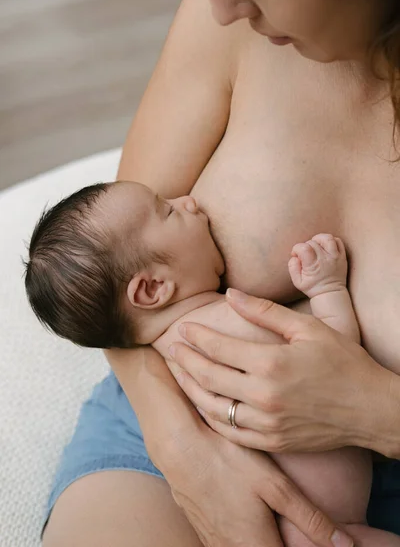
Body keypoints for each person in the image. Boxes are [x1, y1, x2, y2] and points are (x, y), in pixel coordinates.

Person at [42, 0, 400, 546]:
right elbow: (107, 282)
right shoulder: (230, 15)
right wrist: (186, 452)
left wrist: (373, 410)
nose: (219, 6)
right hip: (167, 411)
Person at [26, 177, 400, 545]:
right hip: (314, 525)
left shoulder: (172, 351)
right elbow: (336, 363)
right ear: (154, 287)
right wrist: (327, 288)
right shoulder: (229, 324)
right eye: (168, 211)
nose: (189, 201)